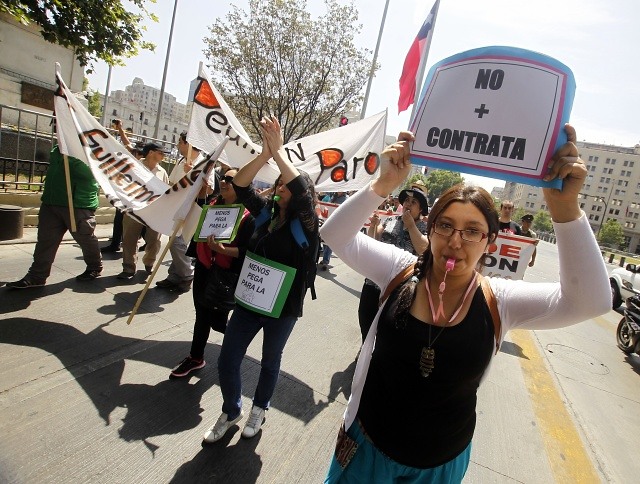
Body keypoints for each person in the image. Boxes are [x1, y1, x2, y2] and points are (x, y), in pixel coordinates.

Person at [319, 125, 610, 482]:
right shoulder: (399, 270)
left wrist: (566, 209)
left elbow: (591, 301)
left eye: (472, 231)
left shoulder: (499, 301)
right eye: (445, 226)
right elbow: (333, 235)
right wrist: (383, 184)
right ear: (430, 229)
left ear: (490, 242)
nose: (456, 241)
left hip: (441, 466)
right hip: (367, 449)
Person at [202, 115, 319, 443]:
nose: (281, 187)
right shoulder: (264, 214)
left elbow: (302, 195)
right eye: (278, 182)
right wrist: (266, 154)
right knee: (228, 359)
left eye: (287, 183)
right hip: (250, 301)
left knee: (270, 361)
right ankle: (231, 409)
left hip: (283, 308)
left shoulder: (308, 224)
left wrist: (280, 152)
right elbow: (239, 185)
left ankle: (261, 407)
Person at [170, 169, 255, 378]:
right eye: (223, 178)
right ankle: (196, 357)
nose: (225, 182)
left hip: (225, 276)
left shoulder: (248, 216)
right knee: (201, 316)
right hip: (203, 269)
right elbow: (193, 225)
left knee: (217, 321)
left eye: (231, 180)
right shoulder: (212, 207)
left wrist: (224, 251)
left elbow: (248, 252)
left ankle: (236, 344)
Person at [7, 145, 103, 288]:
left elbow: (89, 173)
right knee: (45, 242)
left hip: (78, 204)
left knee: (85, 238)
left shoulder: (91, 149)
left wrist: (69, 159)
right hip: (51, 203)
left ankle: (94, 267)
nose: (57, 128)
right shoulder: (59, 147)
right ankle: (37, 276)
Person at [357, 184, 429, 343]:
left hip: (399, 286)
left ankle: (379, 354)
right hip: (374, 281)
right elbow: (373, 240)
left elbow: (424, 250)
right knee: (365, 316)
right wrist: (373, 225)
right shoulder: (390, 219)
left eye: (414, 202)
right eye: (407, 200)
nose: (408, 204)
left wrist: (410, 226)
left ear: (421, 209)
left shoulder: (425, 228)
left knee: (388, 325)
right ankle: (365, 347)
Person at [156, 131, 203, 292]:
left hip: (189, 210)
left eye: (180, 142)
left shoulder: (203, 163)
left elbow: (209, 189)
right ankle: (175, 276)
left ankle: (186, 274)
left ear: (188, 144)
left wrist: (194, 174)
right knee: (173, 241)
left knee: (178, 242)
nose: (178, 145)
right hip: (175, 207)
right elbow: (172, 182)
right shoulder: (183, 160)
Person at [117, 143, 169, 280]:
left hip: (155, 212)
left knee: (154, 240)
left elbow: (166, 191)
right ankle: (128, 268)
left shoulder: (162, 172)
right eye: (161, 153)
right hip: (134, 209)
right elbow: (123, 185)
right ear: (151, 152)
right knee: (129, 239)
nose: (163, 156)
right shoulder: (133, 166)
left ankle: (149, 263)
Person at [320, 191, 348, 271]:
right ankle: (325, 258)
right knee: (325, 241)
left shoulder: (346, 199)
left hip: (337, 224)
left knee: (330, 243)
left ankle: (325, 261)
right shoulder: (333, 196)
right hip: (328, 222)